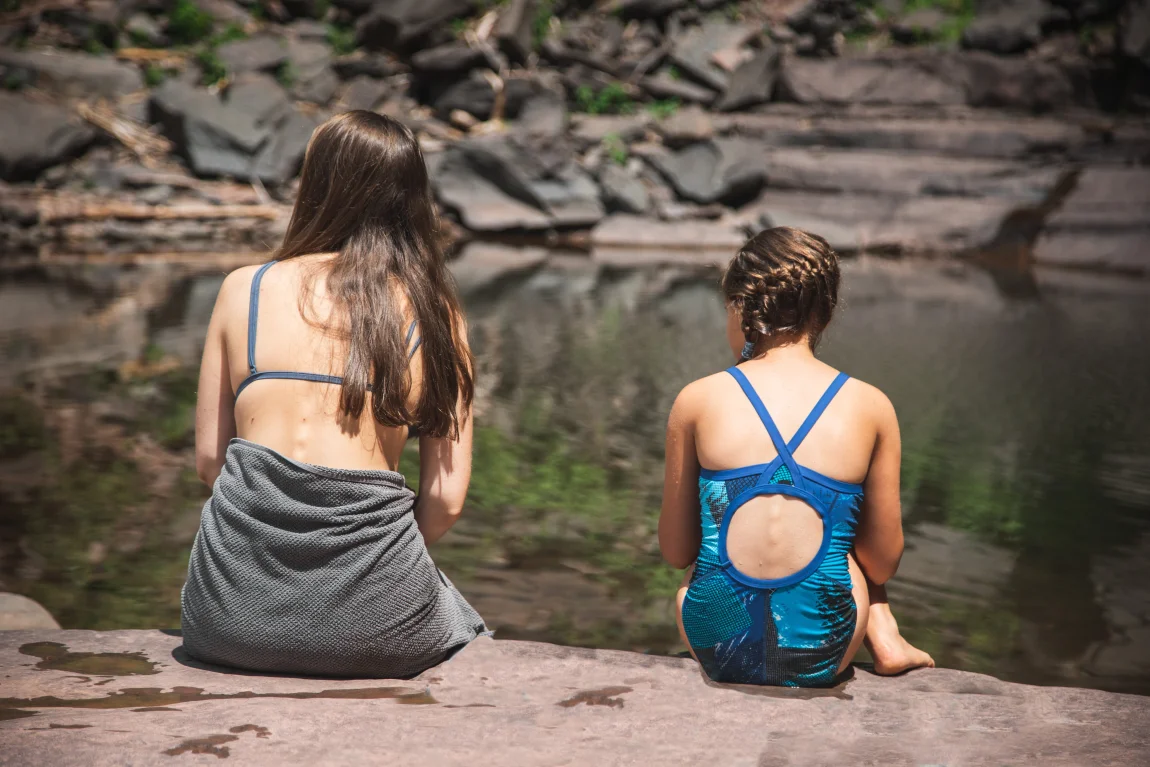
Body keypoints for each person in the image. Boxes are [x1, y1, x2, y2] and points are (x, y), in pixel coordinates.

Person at [183, 111, 484, 678]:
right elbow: (446, 500)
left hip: (227, 618)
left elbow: (209, 463)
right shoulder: (435, 312)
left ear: (317, 184)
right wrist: (373, 568)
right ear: (411, 196)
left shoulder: (245, 289)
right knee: (465, 624)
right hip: (378, 624)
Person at [659, 227, 934, 687]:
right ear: (825, 314)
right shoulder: (870, 406)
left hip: (718, 646)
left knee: (710, 550)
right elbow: (882, 562)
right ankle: (884, 632)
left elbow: (675, 551)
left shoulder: (698, 399)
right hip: (824, 648)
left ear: (740, 307)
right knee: (842, 533)